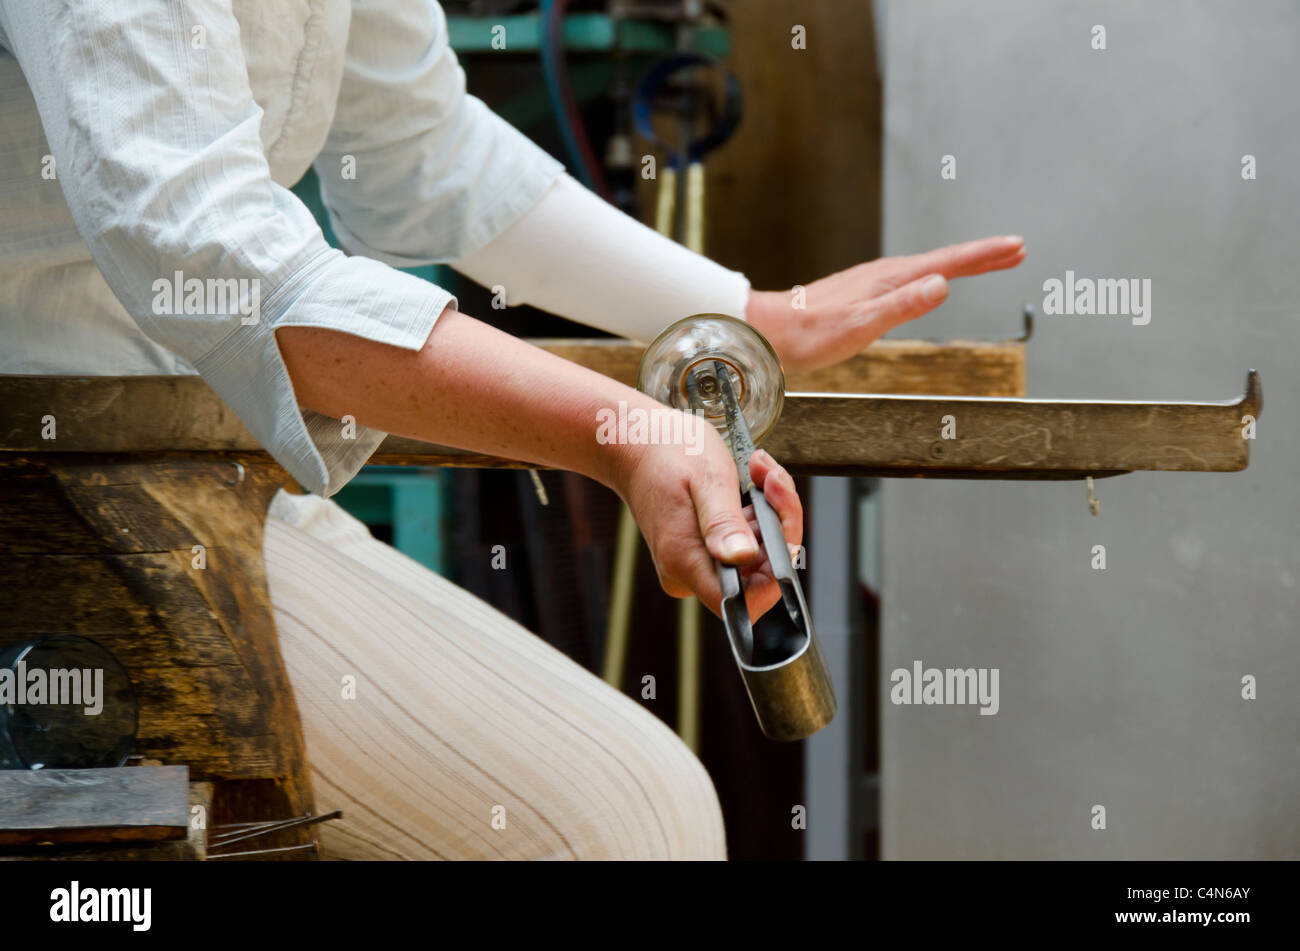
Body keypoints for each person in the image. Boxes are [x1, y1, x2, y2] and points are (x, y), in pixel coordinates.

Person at [0, 0, 1024, 859]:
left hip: (197, 461)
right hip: (48, 487)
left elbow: (416, 149)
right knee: (625, 824)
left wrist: (749, 316)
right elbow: (211, 252)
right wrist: (619, 431)